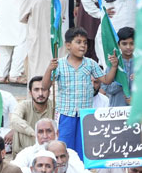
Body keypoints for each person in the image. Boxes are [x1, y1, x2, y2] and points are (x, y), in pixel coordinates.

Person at [42, 27, 118, 158]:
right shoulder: (59, 64)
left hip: (84, 114)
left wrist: (114, 66)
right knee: (64, 147)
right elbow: (45, 85)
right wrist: (49, 69)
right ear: (68, 45)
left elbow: (106, 80)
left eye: (85, 42)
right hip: (66, 114)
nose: (83, 45)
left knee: (83, 148)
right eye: (78, 42)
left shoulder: (90, 63)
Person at [11, 118, 85, 173]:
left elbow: (80, 172)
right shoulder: (27, 153)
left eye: (49, 131)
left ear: (57, 133)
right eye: (40, 132)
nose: (45, 136)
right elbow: (14, 171)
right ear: (36, 135)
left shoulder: (69, 153)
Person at [9, 77, 55, 155]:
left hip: (49, 152)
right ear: (30, 93)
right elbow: (14, 120)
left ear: (49, 92)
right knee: (18, 126)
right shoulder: (24, 105)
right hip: (25, 153)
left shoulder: (55, 106)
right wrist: (33, 133)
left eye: (43, 89)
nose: (40, 93)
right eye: (36, 90)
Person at [102, 26, 134, 106]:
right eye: (124, 44)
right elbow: (106, 88)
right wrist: (121, 81)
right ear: (118, 44)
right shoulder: (113, 63)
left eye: (132, 43)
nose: (128, 47)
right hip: (117, 111)